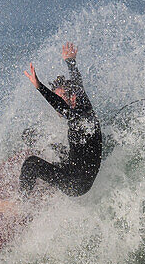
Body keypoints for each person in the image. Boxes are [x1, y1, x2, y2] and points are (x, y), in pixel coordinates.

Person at [19, 42, 103, 196]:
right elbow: (78, 83)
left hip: (75, 183)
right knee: (37, 139)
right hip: (75, 171)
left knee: (31, 164)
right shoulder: (84, 107)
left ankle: (19, 205)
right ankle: (45, 182)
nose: (58, 105)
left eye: (61, 97)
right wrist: (71, 62)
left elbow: (59, 105)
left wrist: (39, 86)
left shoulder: (78, 117)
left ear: (72, 98)